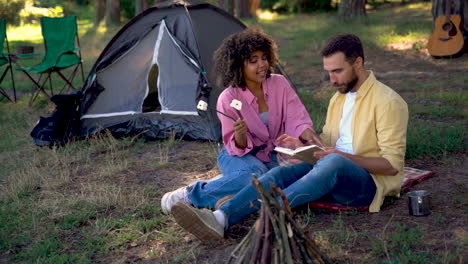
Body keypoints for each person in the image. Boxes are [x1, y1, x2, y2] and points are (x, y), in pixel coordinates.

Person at [170, 33, 409, 240]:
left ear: (358, 63)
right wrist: (301, 145)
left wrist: (338, 155)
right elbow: (328, 144)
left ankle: (269, 216)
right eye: (328, 72)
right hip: (328, 171)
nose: (332, 80)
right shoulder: (339, 98)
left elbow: (391, 166)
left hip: (364, 186)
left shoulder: (388, 102)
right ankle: (220, 218)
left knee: (331, 161)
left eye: (337, 71)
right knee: (281, 172)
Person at [160, 27, 323, 214]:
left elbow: (296, 117)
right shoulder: (228, 98)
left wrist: (307, 134)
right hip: (236, 155)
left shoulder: (280, 83)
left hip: (274, 155)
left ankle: (227, 188)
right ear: (238, 65)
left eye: (264, 57)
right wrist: (240, 135)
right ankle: (190, 195)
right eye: (253, 61)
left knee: (295, 174)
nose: (262, 64)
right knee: (256, 176)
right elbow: (235, 147)